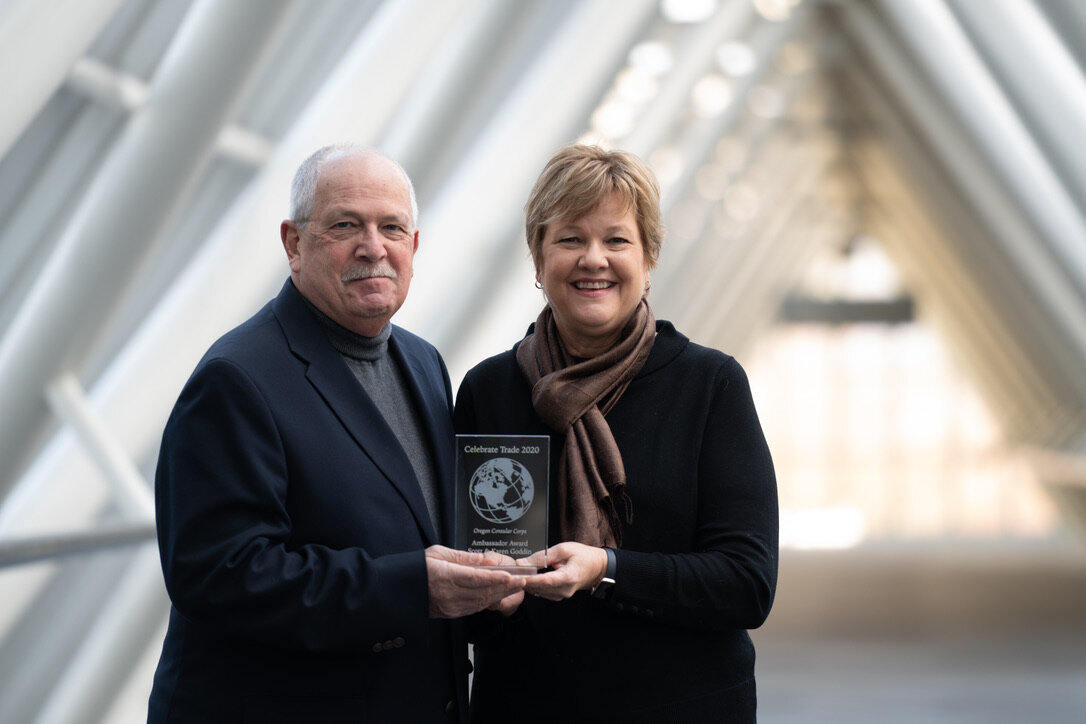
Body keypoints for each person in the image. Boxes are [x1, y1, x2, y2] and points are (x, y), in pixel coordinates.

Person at [148, 145, 526, 723]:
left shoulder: (423, 362)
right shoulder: (238, 378)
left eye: (392, 227)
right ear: (294, 244)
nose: (373, 247)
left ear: (414, 247)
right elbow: (219, 575)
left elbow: (414, 529)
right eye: (346, 225)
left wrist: (483, 591)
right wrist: (414, 588)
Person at [453, 144, 778, 722]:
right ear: (538, 258)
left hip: (681, 706)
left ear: (648, 259)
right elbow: (465, 582)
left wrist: (607, 569)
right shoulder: (490, 390)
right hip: (527, 706)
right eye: (570, 239)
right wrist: (487, 599)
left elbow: (746, 583)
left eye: (617, 240)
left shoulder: (709, 386)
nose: (593, 259)